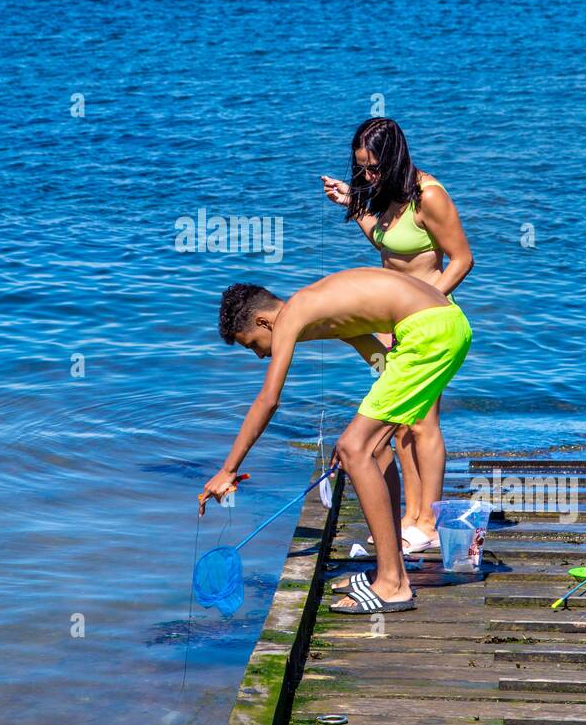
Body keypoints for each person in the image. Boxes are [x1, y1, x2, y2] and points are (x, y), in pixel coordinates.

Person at [198, 268, 472, 614]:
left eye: (253, 344)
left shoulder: (294, 313)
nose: (260, 355)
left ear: (265, 322)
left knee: (353, 447)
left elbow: (269, 399)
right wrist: (372, 431)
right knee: (369, 448)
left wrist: (228, 469)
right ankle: (390, 568)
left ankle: (393, 585)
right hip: (444, 325)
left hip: (429, 332)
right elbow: (384, 365)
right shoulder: (327, 313)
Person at [322, 118, 473, 554]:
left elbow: (462, 260)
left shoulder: (430, 195)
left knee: (424, 421)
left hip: (427, 322)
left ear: (394, 158)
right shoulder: (384, 194)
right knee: (402, 421)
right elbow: (391, 248)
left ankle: (428, 522)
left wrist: (423, 306)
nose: (367, 176)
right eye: (360, 169)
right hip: (395, 325)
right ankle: (408, 516)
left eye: (373, 167)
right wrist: (353, 203)